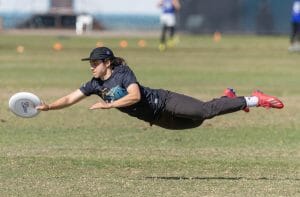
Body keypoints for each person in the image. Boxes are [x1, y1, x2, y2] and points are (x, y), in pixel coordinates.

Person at [36, 47, 284, 130]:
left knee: (205, 112)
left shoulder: (123, 73)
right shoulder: (94, 85)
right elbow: (71, 97)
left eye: (95, 63)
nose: (91, 68)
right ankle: (227, 98)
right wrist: (48, 107)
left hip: (163, 101)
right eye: (90, 64)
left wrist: (109, 104)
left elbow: (134, 95)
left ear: (107, 63)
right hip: (156, 118)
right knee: (198, 120)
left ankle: (254, 99)